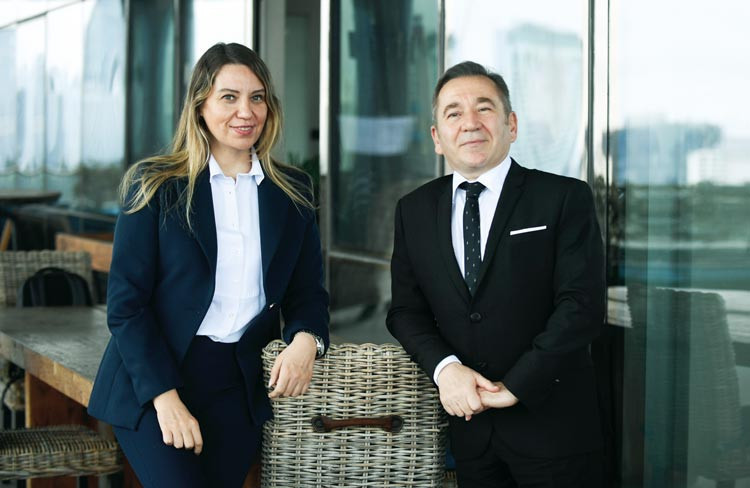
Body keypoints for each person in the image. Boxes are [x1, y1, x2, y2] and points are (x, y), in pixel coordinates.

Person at [88, 42, 329, 487]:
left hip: (238, 387)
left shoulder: (293, 191)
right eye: (229, 97)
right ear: (200, 106)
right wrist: (165, 398)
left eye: (257, 97)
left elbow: (308, 293)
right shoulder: (157, 184)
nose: (246, 112)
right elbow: (126, 306)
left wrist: (305, 342)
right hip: (155, 383)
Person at [386, 61, 605, 487]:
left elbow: (581, 306)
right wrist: (446, 369)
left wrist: (516, 386)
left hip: (554, 431)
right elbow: (405, 312)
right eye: (453, 113)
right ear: (437, 137)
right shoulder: (413, 210)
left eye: (484, 108)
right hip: (471, 434)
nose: (470, 122)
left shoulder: (563, 197)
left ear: (512, 125)